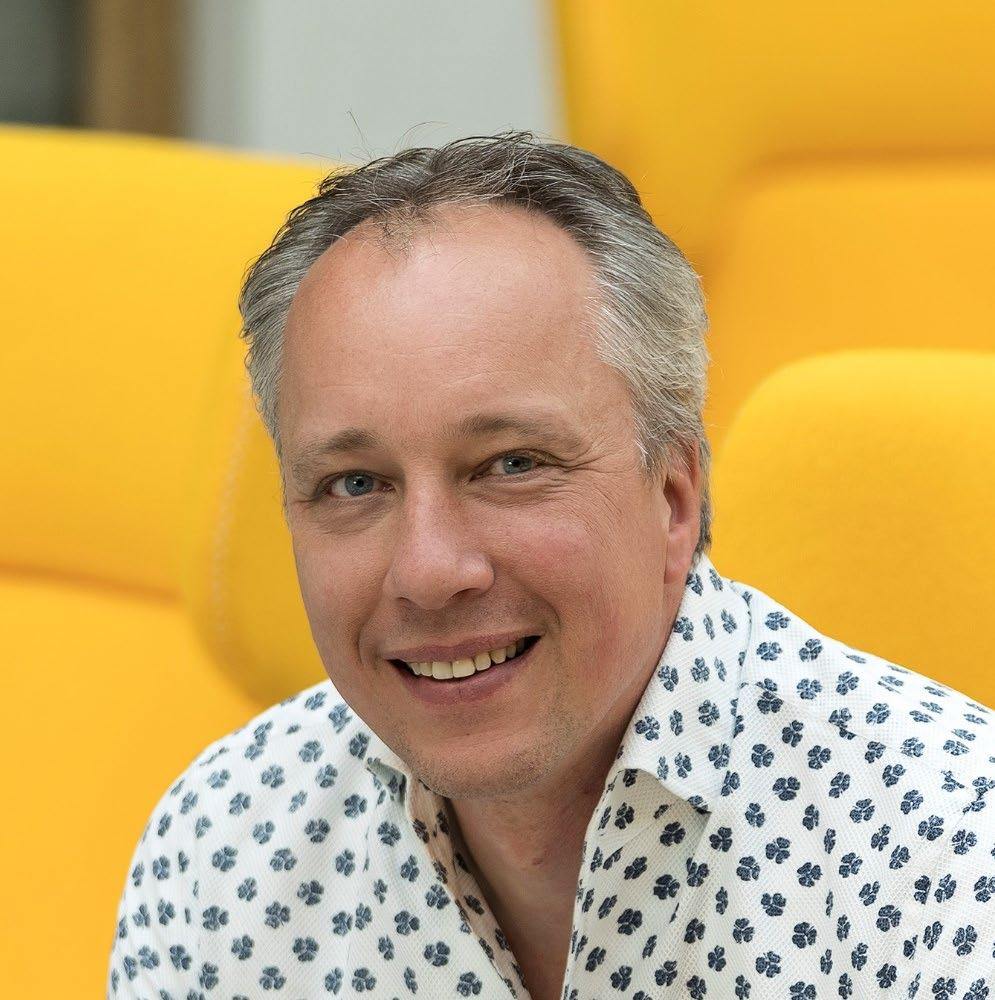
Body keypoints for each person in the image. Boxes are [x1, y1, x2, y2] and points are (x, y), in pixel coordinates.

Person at [107, 132, 995, 1000]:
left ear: (673, 498)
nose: (428, 570)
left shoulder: (949, 859)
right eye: (354, 484)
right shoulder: (223, 849)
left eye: (511, 465)